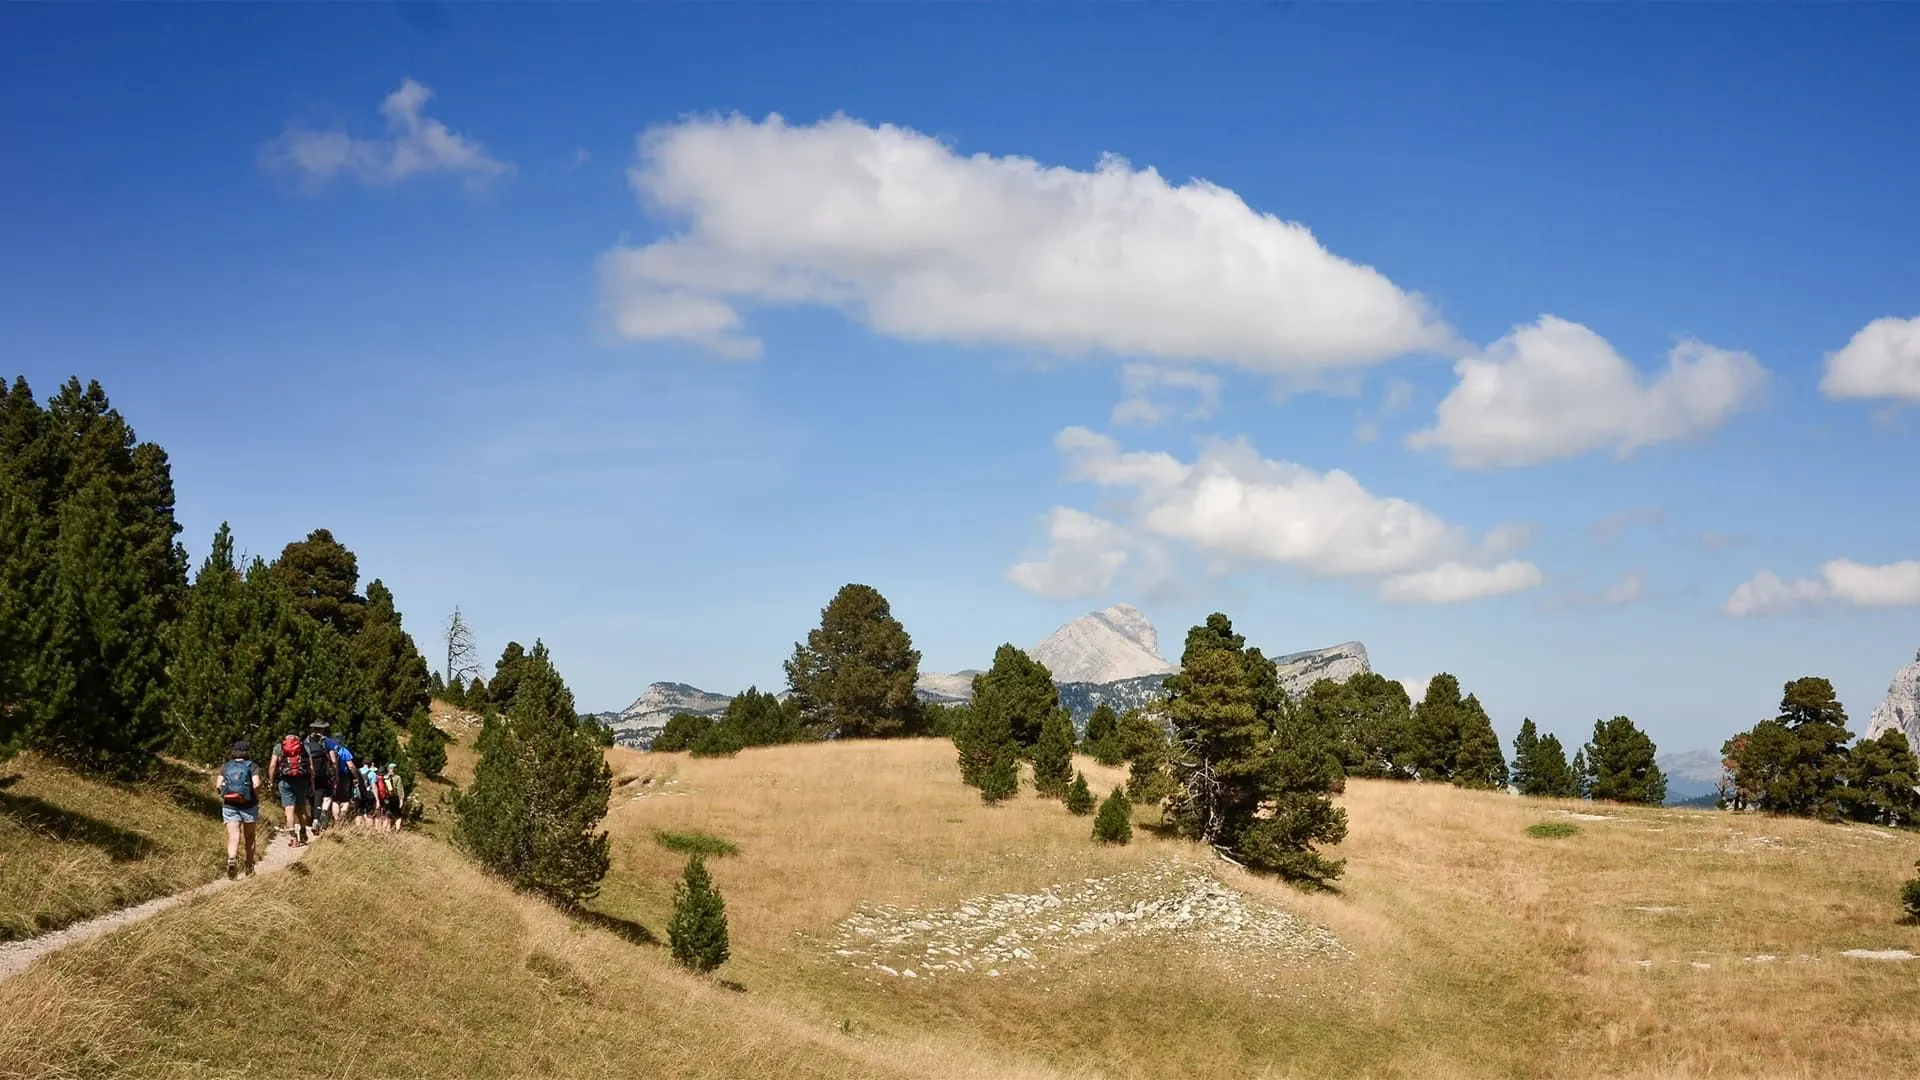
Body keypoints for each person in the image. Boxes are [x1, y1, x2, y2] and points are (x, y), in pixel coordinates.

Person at [214, 740, 261, 879]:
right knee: (250, 838)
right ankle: (249, 866)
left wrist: (226, 795)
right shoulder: (252, 766)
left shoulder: (226, 766)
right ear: (247, 752)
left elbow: (218, 786)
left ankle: (232, 860)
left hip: (229, 805)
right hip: (249, 805)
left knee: (234, 837)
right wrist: (255, 797)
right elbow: (256, 784)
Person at [266, 731, 311, 847]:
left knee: (289, 808)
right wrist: (312, 781)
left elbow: (272, 765)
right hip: (301, 780)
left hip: (285, 781)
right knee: (301, 808)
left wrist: (271, 781)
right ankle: (303, 831)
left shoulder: (279, 746)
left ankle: (293, 837)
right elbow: (310, 766)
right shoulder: (304, 746)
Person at [303, 723, 337, 834]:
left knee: (312, 795)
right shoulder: (326, 742)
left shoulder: (306, 741)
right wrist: (335, 774)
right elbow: (334, 760)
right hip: (322, 773)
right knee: (325, 796)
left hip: (308, 773)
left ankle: (313, 818)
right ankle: (320, 817)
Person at [381, 763, 405, 833]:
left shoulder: (384, 776)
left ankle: (385, 830)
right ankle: (397, 830)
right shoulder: (397, 777)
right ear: (394, 769)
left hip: (385, 798)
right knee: (398, 816)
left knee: (386, 815)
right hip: (394, 798)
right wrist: (401, 800)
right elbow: (400, 789)